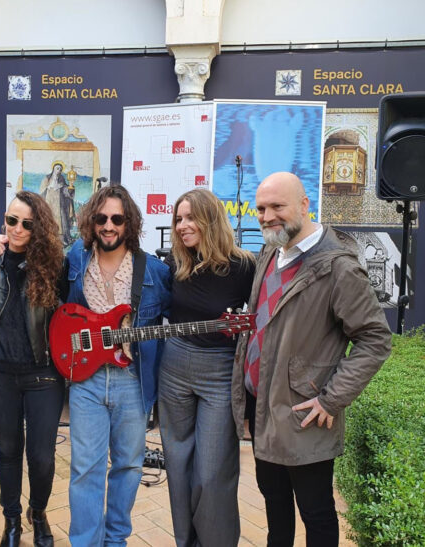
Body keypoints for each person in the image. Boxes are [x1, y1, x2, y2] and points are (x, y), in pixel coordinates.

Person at [231, 172, 392, 546]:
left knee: (316, 512)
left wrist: (331, 398)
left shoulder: (339, 268)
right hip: (262, 407)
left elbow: (374, 340)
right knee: (275, 505)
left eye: (277, 206)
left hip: (305, 412)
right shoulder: (271, 252)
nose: (267, 216)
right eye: (261, 208)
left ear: (305, 205)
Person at [64, 184, 171, 546]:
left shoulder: (154, 271)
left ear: (129, 222)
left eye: (117, 219)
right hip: (88, 382)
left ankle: (116, 540)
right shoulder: (75, 260)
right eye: (101, 218)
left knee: (128, 466)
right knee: (85, 469)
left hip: (132, 380)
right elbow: (40, 275)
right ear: (91, 221)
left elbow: (183, 307)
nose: (108, 226)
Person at [159, 189, 255, 547]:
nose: (182, 226)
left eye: (190, 218)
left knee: (213, 472)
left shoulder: (244, 265)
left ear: (211, 219)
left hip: (219, 373)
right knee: (178, 464)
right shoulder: (175, 264)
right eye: (178, 219)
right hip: (174, 367)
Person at [0, 191, 66, 547]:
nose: (17, 228)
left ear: (38, 227)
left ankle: (38, 512)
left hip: (43, 373)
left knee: (41, 456)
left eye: (26, 223)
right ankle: (11, 520)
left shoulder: (55, 267)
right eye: (11, 220)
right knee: (8, 451)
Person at [39, 161, 75, 245]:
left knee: (61, 221)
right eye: (57, 168)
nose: (59, 170)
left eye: (60, 169)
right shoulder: (47, 178)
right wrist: (48, 187)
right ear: (53, 169)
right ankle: (48, 239)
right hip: (49, 202)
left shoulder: (62, 179)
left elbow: (66, 191)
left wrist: (71, 187)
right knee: (48, 219)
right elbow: (41, 191)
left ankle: (61, 240)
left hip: (59, 204)